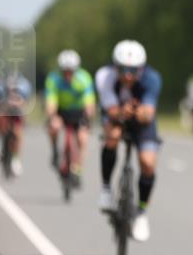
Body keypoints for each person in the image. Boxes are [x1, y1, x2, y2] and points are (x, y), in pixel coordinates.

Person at [95, 40, 162, 242]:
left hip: (141, 124)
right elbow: (112, 109)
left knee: (148, 163)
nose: (128, 75)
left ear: (142, 69)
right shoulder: (105, 76)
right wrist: (123, 113)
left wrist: (138, 113)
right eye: (123, 70)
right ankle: (106, 189)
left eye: (134, 70)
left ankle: (142, 212)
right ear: (115, 67)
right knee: (113, 137)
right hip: (116, 118)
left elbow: (148, 114)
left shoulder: (152, 78)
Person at [45, 49, 96, 184]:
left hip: (79, 111)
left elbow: (89, 102)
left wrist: (88, 118)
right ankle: (55, 149)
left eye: (71, 71)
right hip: (61, 110)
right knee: (54, 126)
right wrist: (52, 116)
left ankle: (78, 169)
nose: (68, 74)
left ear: (76, 70)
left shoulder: (84, 78)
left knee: (82, 138)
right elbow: (51, 102)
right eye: (65, 71)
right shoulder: (54, 79)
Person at [3, 72, 32, 176]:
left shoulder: (23, 88)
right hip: (5, 113)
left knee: (18, 133)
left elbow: (24, 104)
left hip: (16, 114)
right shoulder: (3, 89)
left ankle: (16, 159)